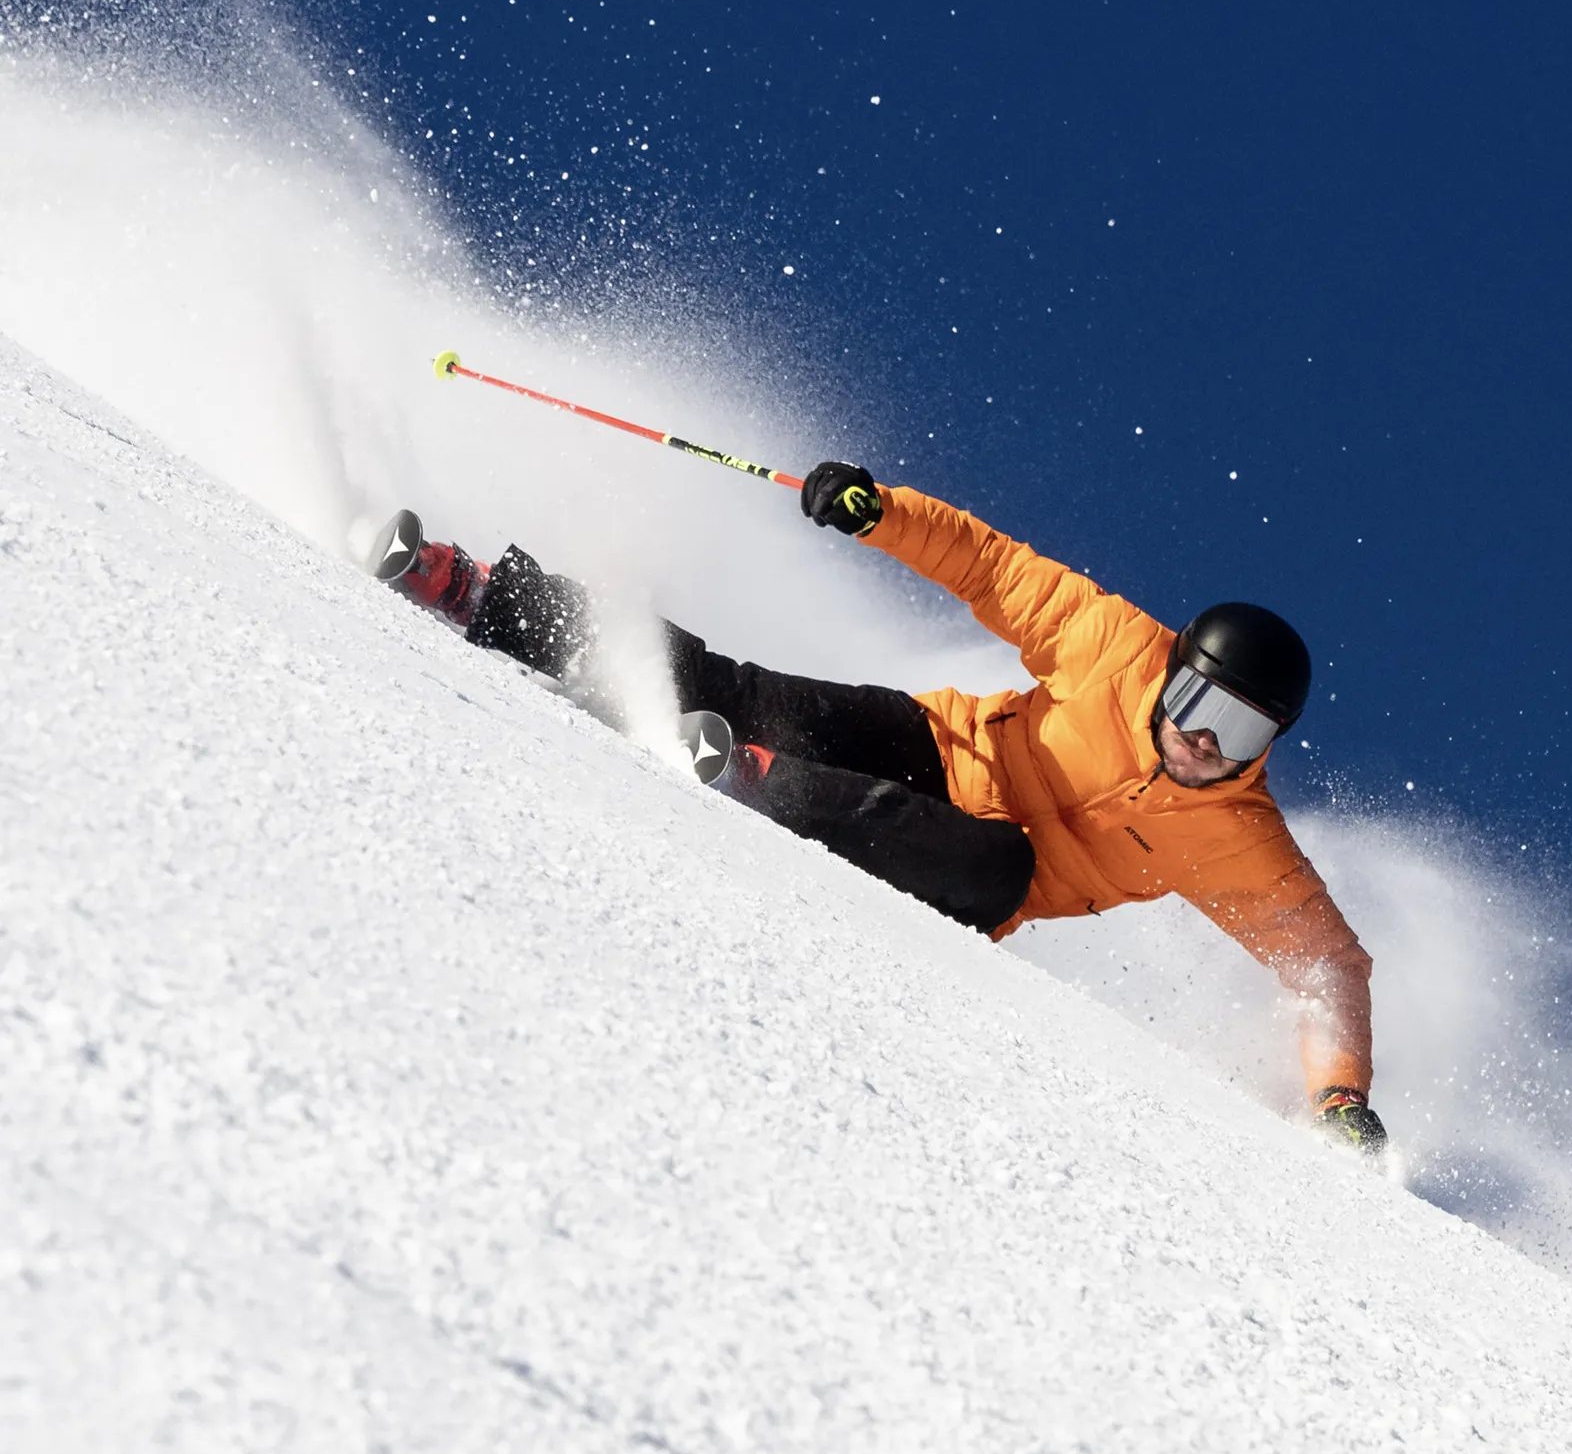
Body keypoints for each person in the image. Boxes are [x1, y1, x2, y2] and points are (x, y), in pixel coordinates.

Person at [368, 463, 1387, 1152]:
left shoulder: (1239, 838)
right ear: (1175, 675)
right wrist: (878, 512)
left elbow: (1326, 964)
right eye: (1201, 705)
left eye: (1242, 732)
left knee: (999, 863)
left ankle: (754, 782)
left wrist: (1340, 1095)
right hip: (940, 743)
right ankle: (476, 591)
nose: (1207, 742)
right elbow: (995, 568)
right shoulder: (1118, 647)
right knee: (736, 685)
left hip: (970, 873)